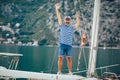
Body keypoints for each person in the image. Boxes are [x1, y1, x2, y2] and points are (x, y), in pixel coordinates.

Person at [55, 3, 80, 75]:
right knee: (60, 58)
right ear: (64, 20)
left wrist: (77, 17)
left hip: (69, 46)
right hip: (62, 45)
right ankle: (59, 71)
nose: (67, 21)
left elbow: (78, 24)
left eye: (68, 20)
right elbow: (59, 17)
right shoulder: (62, 25)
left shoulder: (72, 27)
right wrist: (57, 9)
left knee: (69, 59)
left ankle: (70, 72)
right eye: (66, 20)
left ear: (70, 21)